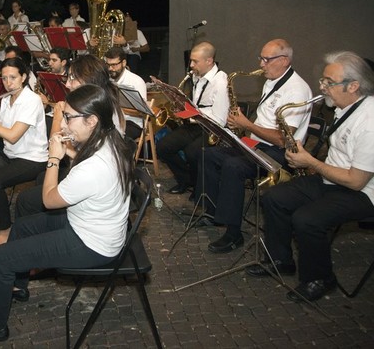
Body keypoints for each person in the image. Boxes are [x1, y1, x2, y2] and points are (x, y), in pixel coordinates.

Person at [0, 84, 134, 342]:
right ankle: (16, 286)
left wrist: (53, 158)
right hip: (92, 224)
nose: (63, 123)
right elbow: (84, 170)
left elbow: (50, 200)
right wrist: (70, 151)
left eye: (69, 117)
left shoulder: (97, 165)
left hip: (91, 243)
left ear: (92, 120)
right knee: (21, 228)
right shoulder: (109, 137)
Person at [246, 51, 374, 302]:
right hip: (335, 178)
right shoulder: (346, 106)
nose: (322, 88)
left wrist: (310, 162)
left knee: (307, 219)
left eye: (328, 83)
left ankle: (320, 278)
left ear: (354, 86)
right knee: (275, 197)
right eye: (323, 81)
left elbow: (356, 181)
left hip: (367, 191)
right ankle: (280, 260)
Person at [196, 38, 313, 253]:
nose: (261, 64)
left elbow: (282, 139)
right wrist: (240, 128)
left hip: (281, 153)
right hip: (258, 143)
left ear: (285, 60)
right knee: (209, 154)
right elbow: (264, 121)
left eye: (267, 59)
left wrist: (246, 124)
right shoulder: (271, 80)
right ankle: (213, 213)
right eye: (261, 58)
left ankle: (233, 234)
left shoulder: (297, 90)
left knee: (234, 166)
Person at [15, 54, 125, 219]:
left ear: (89, 80)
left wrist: (59, 117)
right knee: (41, 178)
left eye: (72, 78)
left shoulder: (102, 111)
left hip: (89, 173)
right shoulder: (95, 102)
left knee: (25, 200)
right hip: (82, 163)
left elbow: (56, 140)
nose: (67, 84)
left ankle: (52, 224)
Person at [0, 57, 48, 246]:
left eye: (13, 77)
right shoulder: (6, 99)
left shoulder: (32, 100)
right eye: (4, 78)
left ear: (24, 77)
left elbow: (12, 136)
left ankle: (6, 228)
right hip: (11, 154)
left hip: (32, 158)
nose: (8, 83)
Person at [155, 41, 229, 194]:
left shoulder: (221, 83)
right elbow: (197, 105)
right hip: (195, 123)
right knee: (163, 147)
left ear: (209, 61)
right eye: (191, 60)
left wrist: (191, 115)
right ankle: (186, 180)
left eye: (195, 61)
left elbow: (220, 119)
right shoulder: (197, 75)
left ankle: (199, 188)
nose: (191, 65)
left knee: (193, 152)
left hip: (211, 128)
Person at [104, 47, 148, 140]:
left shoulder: (136, 81)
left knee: (114, 137)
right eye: (108, 65)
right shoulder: (107, 80)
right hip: (113, 120)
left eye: (114, 65)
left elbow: (141, 112)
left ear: (123, 63)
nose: (110, 68)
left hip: (132, 122)